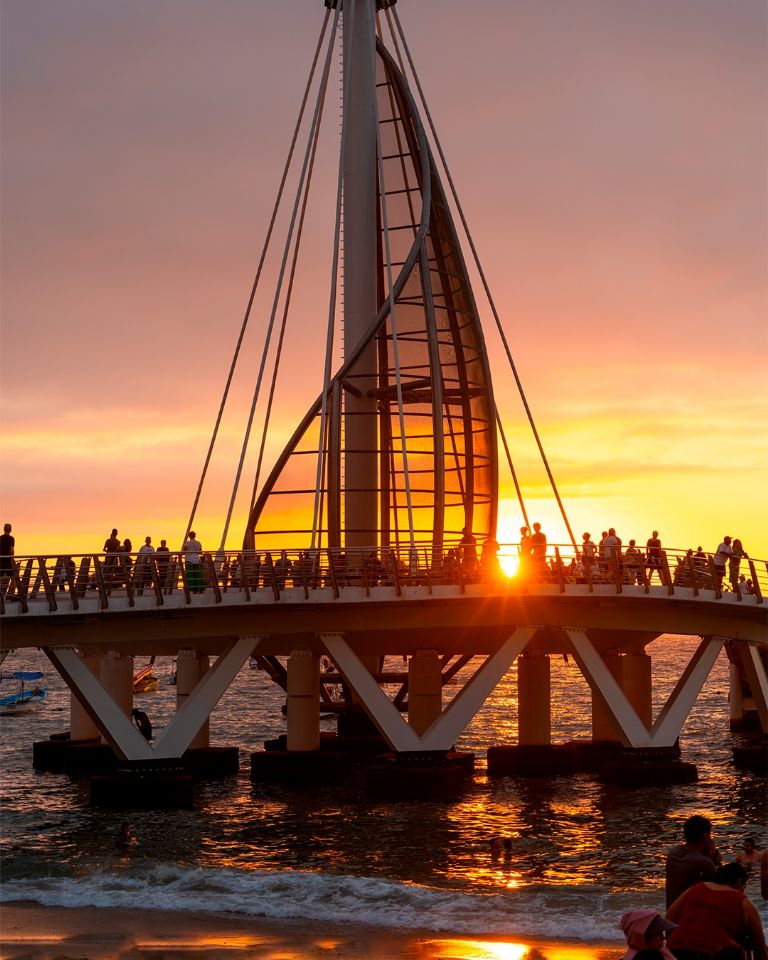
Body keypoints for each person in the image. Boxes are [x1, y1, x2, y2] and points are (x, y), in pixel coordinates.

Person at [666, 862, 767, 960]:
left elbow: (669, 917)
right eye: (744, 886)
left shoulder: (695, 889)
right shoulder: (743, 902)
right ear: (739, 881)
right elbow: (760, 947)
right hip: (714, 954)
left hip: (676, 949)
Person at [665, 814, 720, 908]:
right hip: (690, 915)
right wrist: (714, 861)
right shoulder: (704, 862)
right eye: (709, 835)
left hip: (671, 912)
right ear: (705, 836)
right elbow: (719, 889)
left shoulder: (673, 853)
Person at [0, 522, 16, 594]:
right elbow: (11, 550)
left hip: (0, 561)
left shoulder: (0, 538)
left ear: (4, 529)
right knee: (13, 578)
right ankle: (12, 595)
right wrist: (12, 558)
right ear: (10, 530)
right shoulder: (11, 539)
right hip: (9, 561)